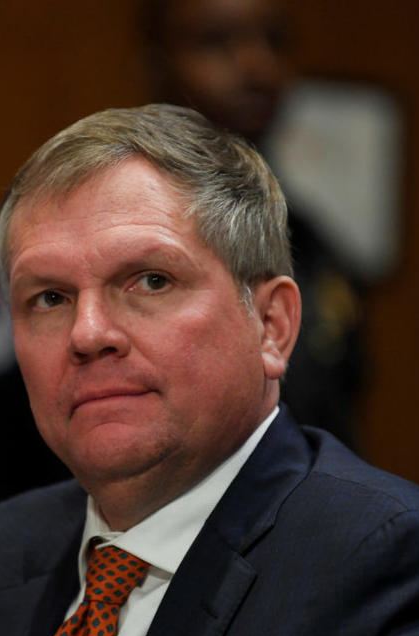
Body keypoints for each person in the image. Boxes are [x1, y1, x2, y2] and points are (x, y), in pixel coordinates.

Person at [0, 104, 419, 636]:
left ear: (272, 326)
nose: (87, 333)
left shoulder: (382, 566)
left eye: (150, 281)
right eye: (49, 298)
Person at [143, 0, 365, 447]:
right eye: (216, 42)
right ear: (156, 63)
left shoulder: (313, 247)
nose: (256, 65)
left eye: (274, 42)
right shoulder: (96, 238)